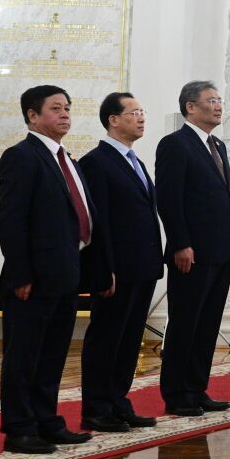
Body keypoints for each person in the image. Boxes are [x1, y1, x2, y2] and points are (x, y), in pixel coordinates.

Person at [0, 86, 103, 453]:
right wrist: (22, 274)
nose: (65, 114)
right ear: (32, 116)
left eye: (68, 108)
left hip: (65, 274)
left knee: (54, 354)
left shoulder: (68, 160)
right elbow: (12, 222)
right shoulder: (21, 156)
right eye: (56, 108)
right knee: (24, 356)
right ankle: (19, 428)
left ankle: (46, 420)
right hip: (34, 279)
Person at [77, 92, 164, 433]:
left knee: (129, 339)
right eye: (134, 112)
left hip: (142, 267)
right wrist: (103, 269)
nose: (141, 118)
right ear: (113, 119)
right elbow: (99, 223)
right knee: (106, 338)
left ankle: (117, 402)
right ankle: (96, 408)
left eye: (143, 112)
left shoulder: (135, 161)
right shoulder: (96, 162)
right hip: (115, 271)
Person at [155, 81, 230, 417]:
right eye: (211, 100)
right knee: (186, 322)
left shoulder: (217, 145)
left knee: (207, 323)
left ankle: (197, 387)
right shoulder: (175, 144)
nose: (218, 106)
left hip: (220, 251)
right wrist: (181, 242)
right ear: (190, 107)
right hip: (192, 252)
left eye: (219, 100)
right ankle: (176, 392)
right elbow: (169, 199)